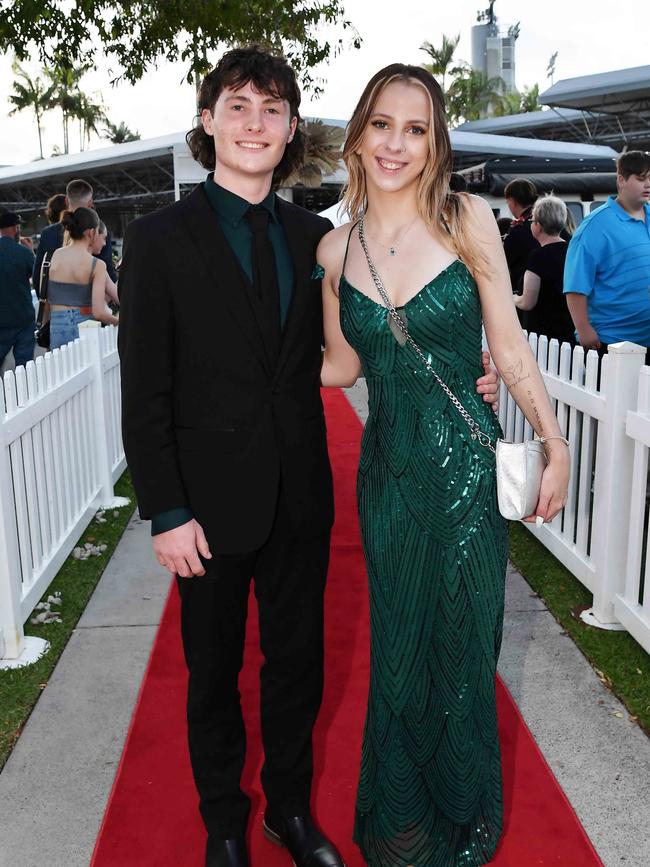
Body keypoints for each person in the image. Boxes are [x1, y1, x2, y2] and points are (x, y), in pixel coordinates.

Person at [117, 46, 500, 867]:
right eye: (238, 105)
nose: (255, 122)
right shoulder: (157, 239)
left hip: (300, 493)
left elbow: (346, 354)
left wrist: (472, 365)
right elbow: (145, 387)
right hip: (208, 507)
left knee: (296, 665)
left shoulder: (315, 238)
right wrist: (168, 509)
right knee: (213, 670)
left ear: (293, 129)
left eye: (272, 109)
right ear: (209, 119)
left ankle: (287, 809)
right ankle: (224, 817)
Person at [316, 63, 570, 867]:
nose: (396, 144)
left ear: (436, 143)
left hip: (464, 475)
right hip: (387, 478)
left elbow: (510, 343)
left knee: (462, 648)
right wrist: (246, 350)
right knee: (397, 652)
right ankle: (401, 828)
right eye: (382, 125)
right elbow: (343, 366)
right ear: (358, 134)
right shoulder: (333, 246)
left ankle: (460, 825)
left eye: (416, 128)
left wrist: (553, 440)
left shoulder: (466, 219)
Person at [564, 150, 650, 360]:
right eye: (641, 179)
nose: (648, 184)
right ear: (621, 180)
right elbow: (575, 286)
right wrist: (583, 329)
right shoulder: (594, 226)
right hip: (613, 343)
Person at [48, 207, 117, 349]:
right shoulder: (96, 265)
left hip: (56, 325)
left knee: (61, 370)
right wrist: (118, 321)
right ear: (91, 232)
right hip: (84, 324)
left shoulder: (53, 256)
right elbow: (99, 312)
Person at [33, 178, 118, 287]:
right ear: (90, 203)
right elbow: (108, 276)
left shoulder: (47, 233)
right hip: (89, 300)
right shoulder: (100, 231)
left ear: (67, 201)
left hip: (55, 301)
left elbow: (38, 277)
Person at [514, 195, 575, 344]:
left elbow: (528, 302)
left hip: (543, 335)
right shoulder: (573, 251)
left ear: (539, 226)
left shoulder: (538, 257)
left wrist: (513, 298)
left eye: (533, 220)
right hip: (569, 330)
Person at [0, 211, 36, 369]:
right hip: (23, 319)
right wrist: (31, 252)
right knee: (25, 368)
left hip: (1, 321)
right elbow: (39, 278)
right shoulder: (23, 252)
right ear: (16, 228)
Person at [502, 177, 538, 292]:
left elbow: (503, 262)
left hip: (523, 292)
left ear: (513, 201)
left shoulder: (517, 231)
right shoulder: (547, 221)